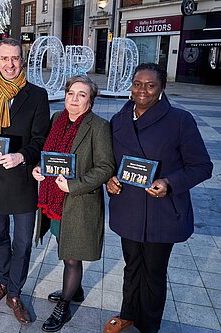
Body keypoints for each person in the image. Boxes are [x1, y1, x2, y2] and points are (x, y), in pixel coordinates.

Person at [105, 63, 213, 333]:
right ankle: (128, 313)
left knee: (153, 272)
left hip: (161, 211)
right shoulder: (119, 120)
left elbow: (202, 166)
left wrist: (169, 182)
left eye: (150, 85)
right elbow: (110, 162)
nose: (143, 90)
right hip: (128, 207)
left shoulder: (180, 120)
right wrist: (110, 179)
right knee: (132, 266)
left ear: (162, 88)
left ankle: (148, 325)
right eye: (138, 84)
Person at [32, 75, 115, 332]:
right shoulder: (57, 119)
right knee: (65, 244)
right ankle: (75, 291)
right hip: (54, 201)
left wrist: (74, 184)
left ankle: (64, 306)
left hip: (78, 202)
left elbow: (105, 167)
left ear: (90, 101)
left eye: (82, 95)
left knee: (70, 257)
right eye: (71, 93)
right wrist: (38, 168)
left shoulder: (98, 126)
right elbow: (47, 155)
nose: (74, 100)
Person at [0, 38, 50, 324]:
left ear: (23, 61)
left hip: (22, 181)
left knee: (22, 243)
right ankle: (4, 281)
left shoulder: (37, 95)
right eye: (4, 58)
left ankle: (15, 292)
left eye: (15, 58)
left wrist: (22, 156)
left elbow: (40, 139)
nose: (9, 64)